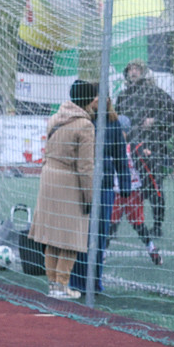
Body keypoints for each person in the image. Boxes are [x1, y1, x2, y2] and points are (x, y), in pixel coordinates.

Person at [30, 79, 96, 300]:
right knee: (71, 237)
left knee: (51, 236)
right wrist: (89, 195)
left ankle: (52, 286)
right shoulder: (85, 125)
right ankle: (62, 285)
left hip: (48, 177)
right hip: (69, 182)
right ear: (89, 99)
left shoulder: (55, 117)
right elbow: (85, 166)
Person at [70, 94, 128, 294]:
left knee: (100, 236)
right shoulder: (82, 122)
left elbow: (121, 157)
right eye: (95, 97)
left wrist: (125, 186)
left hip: (104, 188)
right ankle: (77, 281)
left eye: (103, 97)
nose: (99, 101)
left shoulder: (113, 125)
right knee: (81, 235)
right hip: (82, 186)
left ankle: (95, 282)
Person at [115, 60, 174, 237]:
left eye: (137, 69)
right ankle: (116, 225)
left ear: (143, 72)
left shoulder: (155, 93)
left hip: (150, 148)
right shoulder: (123, 96)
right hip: (127, 150)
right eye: (130, 69)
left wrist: (155, 120)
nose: (133, 72)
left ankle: (157, 225)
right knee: (122, 187)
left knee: (153, 187)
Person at [106, 114, 161, 267]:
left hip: (133, 191)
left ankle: (152, 249)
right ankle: (102, 253)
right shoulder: (110, 147)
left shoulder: (134, 148)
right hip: (117, 191)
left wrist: (150, 187)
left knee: (138, 224)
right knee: (111, 224)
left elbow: (147, 167)